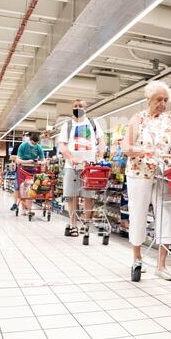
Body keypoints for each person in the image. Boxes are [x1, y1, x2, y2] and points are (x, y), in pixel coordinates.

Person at [122, 81, 171, 280]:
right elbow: (126, 147)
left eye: (166, 100)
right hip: (138, 173)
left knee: (166, 215)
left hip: (164, 174)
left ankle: (161, 266)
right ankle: (137, 258)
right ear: (148, 100)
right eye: (159, 100)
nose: (163, 103)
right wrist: (143, 150)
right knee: (138, 213)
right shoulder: (138, 119)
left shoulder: (170, 122)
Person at [58, 99, 106, 237]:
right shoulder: (67, 125)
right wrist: (70, 157)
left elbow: (101, 141)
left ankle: (86, 224)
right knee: (71, 196)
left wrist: (101, 156)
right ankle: (73, 225)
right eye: (75, 106)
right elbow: (62, 145)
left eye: (80, 106)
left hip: (89, 166)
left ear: (86, 108)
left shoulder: (93, 123)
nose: (78, 108)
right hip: (71, 166)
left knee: (88, 196)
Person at [16, 133, 45, 214]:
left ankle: (29, 209)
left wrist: (39, 162)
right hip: (23, 170)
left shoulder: (38, 147)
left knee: (32, 189)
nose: (35, 145)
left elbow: (43, 160)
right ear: (30, 140)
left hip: (33, 170)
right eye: (33, 143)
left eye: (36, 143)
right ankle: (23, 208)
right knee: (23, 189)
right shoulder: (23, 146)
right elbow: (17, 160)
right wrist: (27, 161)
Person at [9, 132, 31, 211]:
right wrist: (20, 157)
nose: (26, 137)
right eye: (25, 135)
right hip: (19, 169)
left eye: (28, 136)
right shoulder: (18, 146)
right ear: (22, 137)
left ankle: (24, 207)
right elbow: (11, 156)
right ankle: (15, 204)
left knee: (27, 188)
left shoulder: (32, 147)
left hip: (30, 170)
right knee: (17, 187)